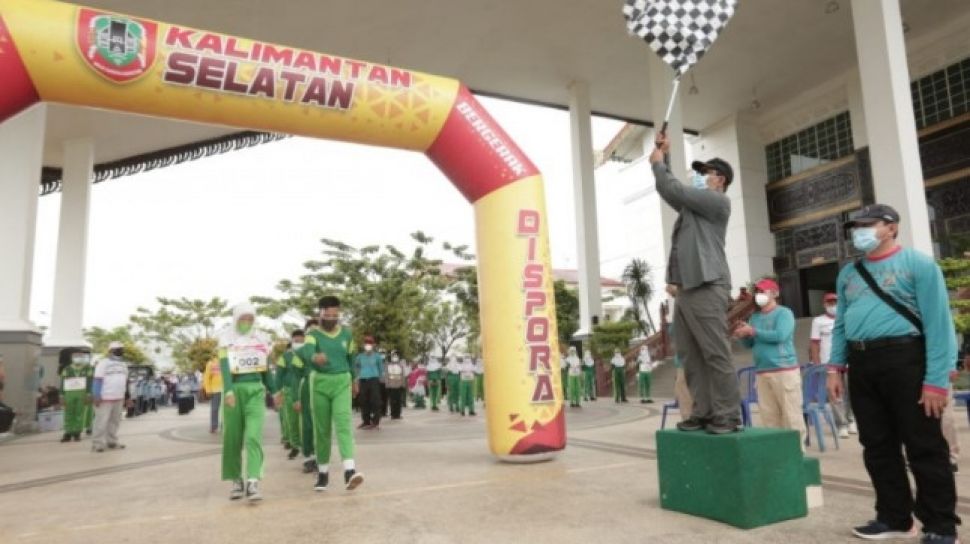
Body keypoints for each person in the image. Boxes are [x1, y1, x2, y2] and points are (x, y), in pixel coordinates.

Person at [826, 204, 959, 543]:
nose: (859, 231)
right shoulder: (849, 273)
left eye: (867, 224)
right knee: (876, 445)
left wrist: (936, 380)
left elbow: (938, 324)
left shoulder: (918, 265)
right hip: (862, 363)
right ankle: (895, 517)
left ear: (891, 227)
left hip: (906, 359)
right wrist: (834, 367)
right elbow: (841, 324)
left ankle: (941, 526)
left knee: (924, 447)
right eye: (854, 226)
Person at [650, 134, 742, 435]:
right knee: (690, 354)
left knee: (715, 352)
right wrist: (665, 156)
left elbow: (671, 187)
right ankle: (703, 412)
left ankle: (728, 415)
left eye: (706, 173)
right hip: (687, 288)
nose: (701, 177)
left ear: (721, 181)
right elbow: (675, 191)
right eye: (699, 172)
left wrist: (660, 165)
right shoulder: (694, 208)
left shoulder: (717, 202)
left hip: (708, 284)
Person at [297, 296, 365, 493]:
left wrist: (354, 379)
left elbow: (351, 358)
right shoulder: (313, 334)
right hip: (320, 384)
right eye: (328, 315)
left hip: (342, 381)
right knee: (322, 429)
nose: (331, 318)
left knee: (344, 424)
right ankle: (323, 473)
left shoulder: (346, 334)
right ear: (320, 314)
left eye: (335, 315)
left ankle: (350, 471)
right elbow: (306, 352)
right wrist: (314, 356)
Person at [733, 278, 806, 446]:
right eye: (757, 292)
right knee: (769, 417)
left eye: (763, 291)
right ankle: (775, 452)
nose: (759, 295)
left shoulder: (784, 313)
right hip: (763, 372)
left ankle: (796, 451)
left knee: (791, 415)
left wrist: (752, 331)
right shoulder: (755, 317)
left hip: (784, 371)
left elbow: (780, 335)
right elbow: (749, 344)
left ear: (775, 293)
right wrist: (741, 335)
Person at [219, 303, 276, 502]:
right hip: (233, 393)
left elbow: (265, 370)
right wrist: (228, 390)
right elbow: (225, 368)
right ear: (235, 319)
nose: (247, 323)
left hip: (255, 391)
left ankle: (253, 481)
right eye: (243, 318)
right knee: (233, 438)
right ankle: (236, 480)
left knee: (253, 436)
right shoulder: (226, 340)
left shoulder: (261, 339)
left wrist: (275, 390)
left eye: (250, 319)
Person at [810, 292, 855, 438]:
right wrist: (816, 363)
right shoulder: (818, 321)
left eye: (835, 302)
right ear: (824, 305)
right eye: (829, 303)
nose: (832, 305)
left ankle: (851, 420)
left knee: (851, 392)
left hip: (848, 362)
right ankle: (841, 424)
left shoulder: (847, 318)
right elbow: (814, 343)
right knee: (835, 394)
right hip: (828, 364)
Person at [91, 341, 130, 452]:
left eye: (121, 349)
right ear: (111, 351)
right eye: (118, 349)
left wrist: (127, 397)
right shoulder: (103, 363)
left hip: (119, 397)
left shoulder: (124, 364)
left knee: (115, 421)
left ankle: (112, 441)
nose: (120, 351)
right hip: (104, 398)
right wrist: (96, 395)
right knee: (101, 421)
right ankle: (97, 443)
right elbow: (97, 380)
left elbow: (126, 381)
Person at [277, 330, 306, 460]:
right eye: (296, 341)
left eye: (301, 341)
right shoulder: (284, 357)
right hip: (289, 391)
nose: (298, 343)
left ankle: (308, 448)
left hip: (305, 390)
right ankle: (295, 445)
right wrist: (278, 393)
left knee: (306, 422)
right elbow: (279, 376)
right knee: (291, 421)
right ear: (292, 341)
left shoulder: (308, 354)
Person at [60, 349, 93, 442]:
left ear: (83, 358)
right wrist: (61, 396)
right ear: (71, 358)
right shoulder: (67, 369)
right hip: (69, 394)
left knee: (80, 413)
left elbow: (90, 382)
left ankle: (77, 432)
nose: (78, 358)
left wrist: (89, 394)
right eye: (75, 356)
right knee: (68, 413)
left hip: (82, 393)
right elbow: (62, 382)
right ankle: (67, 432)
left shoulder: (88, 368)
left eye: (80, 356)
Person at [353, 336, 385, 430]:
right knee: (363, 401)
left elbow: (381, 369)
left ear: (373, 345)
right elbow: (356, 367)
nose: (368, 345)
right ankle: (366, 421)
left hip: (374, 379)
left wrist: (380, 379)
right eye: (366, 344)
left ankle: (375, 422)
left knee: (375, 401)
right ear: (363, 345)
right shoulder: (360, 356)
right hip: (363, 380)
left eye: (370, 344)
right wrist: (356, 377)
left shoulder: (377, 356)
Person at [202, 356, 223, 434]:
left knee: (227, 410)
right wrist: (208, 390)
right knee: (214, 409)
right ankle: (214, 426)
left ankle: (225, 426)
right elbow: (206, 377)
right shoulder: (211, 363)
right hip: (215, 390)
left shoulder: (228, 362)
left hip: (226, 390)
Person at [385, 351, 406, 420]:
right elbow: (386, 376)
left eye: (396, 356)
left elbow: (403, 376)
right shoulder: (388, 365)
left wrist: (403, 385)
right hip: (391, 386)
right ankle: (393, 414)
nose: (395, 357)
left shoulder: (401, 365)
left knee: (398, 401)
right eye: (393, 356)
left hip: (399, 386)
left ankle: (398, 414)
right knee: (392, 401)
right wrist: (387, 385)